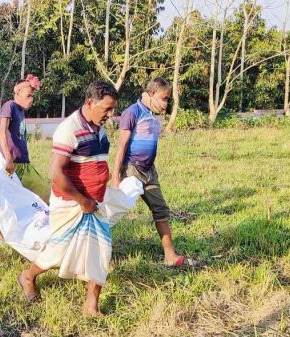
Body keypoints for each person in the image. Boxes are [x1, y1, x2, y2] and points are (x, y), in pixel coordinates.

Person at [17, 81, 118, 316]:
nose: (110, 115)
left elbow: (94, 164)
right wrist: (82, 201)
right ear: (90, 103)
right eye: (106, 109)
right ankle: (27, 276)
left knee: (102, 251)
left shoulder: (100, 130)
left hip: (95, 204)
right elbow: (56, 173)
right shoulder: (69, 129)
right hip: (71, 204)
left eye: (112, 109)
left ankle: (90, 306)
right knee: (58, 252)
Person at [111, 77, 198, 267]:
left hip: (149, 171)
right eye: (164, 98)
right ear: (151, 94)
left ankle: (170, 256)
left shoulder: (152, 114)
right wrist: (116, 176)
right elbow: (122, 146)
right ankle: (97, 249)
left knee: (160, 210)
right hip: (132, 170)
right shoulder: (132, 112)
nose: (165, 104)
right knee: (113, 211)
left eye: (168, 99)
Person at [0, 74, 41, 183]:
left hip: (20, 163)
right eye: (28, 95)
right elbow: (2, 132)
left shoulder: (21, 111)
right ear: (17, 93)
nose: (31, 99)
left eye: (32, 96)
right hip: (7, 162)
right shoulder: (10, 106)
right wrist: (8, 158)